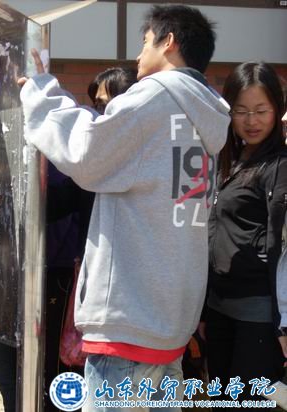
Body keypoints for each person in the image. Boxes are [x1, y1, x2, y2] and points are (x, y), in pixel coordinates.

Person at [19, 4, 231, 410]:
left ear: (168, 42)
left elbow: (87, 153)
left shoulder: (155, 96)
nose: (137, 55)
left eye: (145, 42)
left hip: (129, 317)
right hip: (169, 320)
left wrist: (42, 93)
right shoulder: (205, 113)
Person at [43, 67, 137, 412]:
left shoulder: (144, 155)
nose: (101, 114)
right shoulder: (92, 160)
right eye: (97, 105)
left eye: (108, 104)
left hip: (130, 288)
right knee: (76, 363)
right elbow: (58, 202)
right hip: (89, 275)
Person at [205, 62, 287, 406]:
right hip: (218, 306)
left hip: (258, 313)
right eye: (241, 111)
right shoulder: (230, 160)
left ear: (277, 110)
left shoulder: (280, 164)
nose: (251, 121)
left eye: (261, 110)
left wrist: (284, 323)